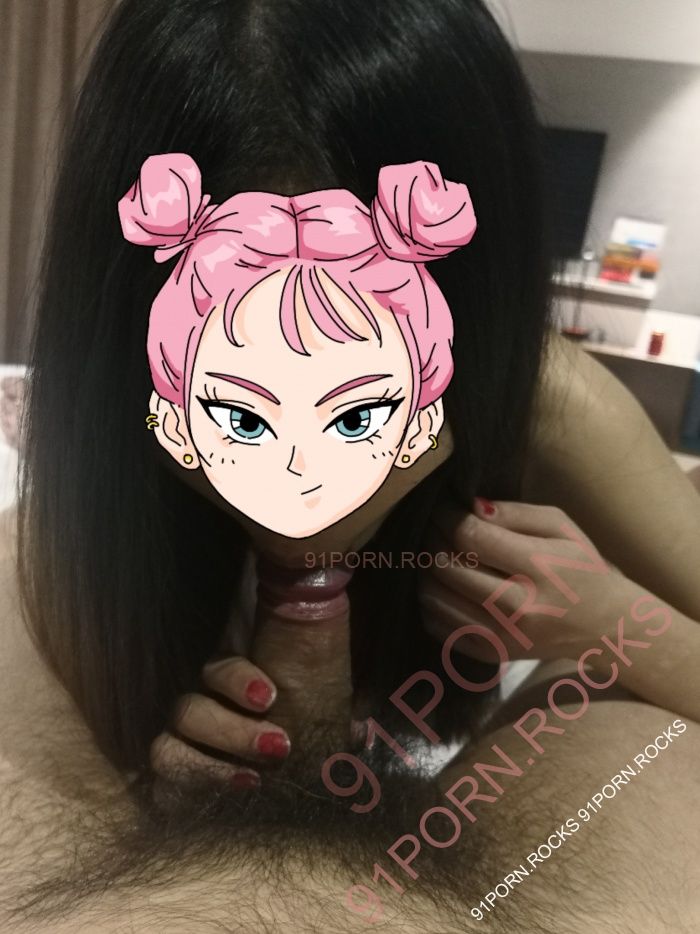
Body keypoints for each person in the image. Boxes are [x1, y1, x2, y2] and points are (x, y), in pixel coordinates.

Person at [3, 0, 700, 930]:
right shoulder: (78, 488)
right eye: (240, 399)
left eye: (362, 399)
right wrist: (155, 762)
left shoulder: (544, 402)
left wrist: (611, 626)